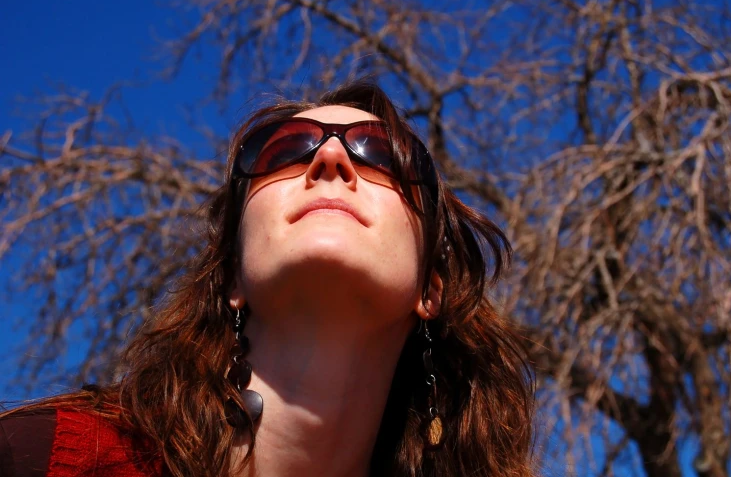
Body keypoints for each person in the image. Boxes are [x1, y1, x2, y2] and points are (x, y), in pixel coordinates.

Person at [0, 80, 538, 477]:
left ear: (430, 290)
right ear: (234, 273)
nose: (330, 157)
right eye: (284, 151)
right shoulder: (43, 456)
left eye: (382, 156)